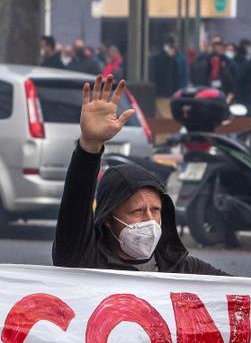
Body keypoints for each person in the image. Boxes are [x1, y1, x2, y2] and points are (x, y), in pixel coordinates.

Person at [53, 75, 227, 276]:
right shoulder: (85, 261)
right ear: (109, 218)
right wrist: (89, 145)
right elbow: (75, 203)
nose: (150, 221)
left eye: (155, 210)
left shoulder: (183, 270)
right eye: (137, 211)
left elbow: (248, 296)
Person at [149, 36, 183, 117]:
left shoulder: (174, 58)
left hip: (168, 92)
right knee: (166, 116)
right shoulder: (159, 58)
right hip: (163, 92)